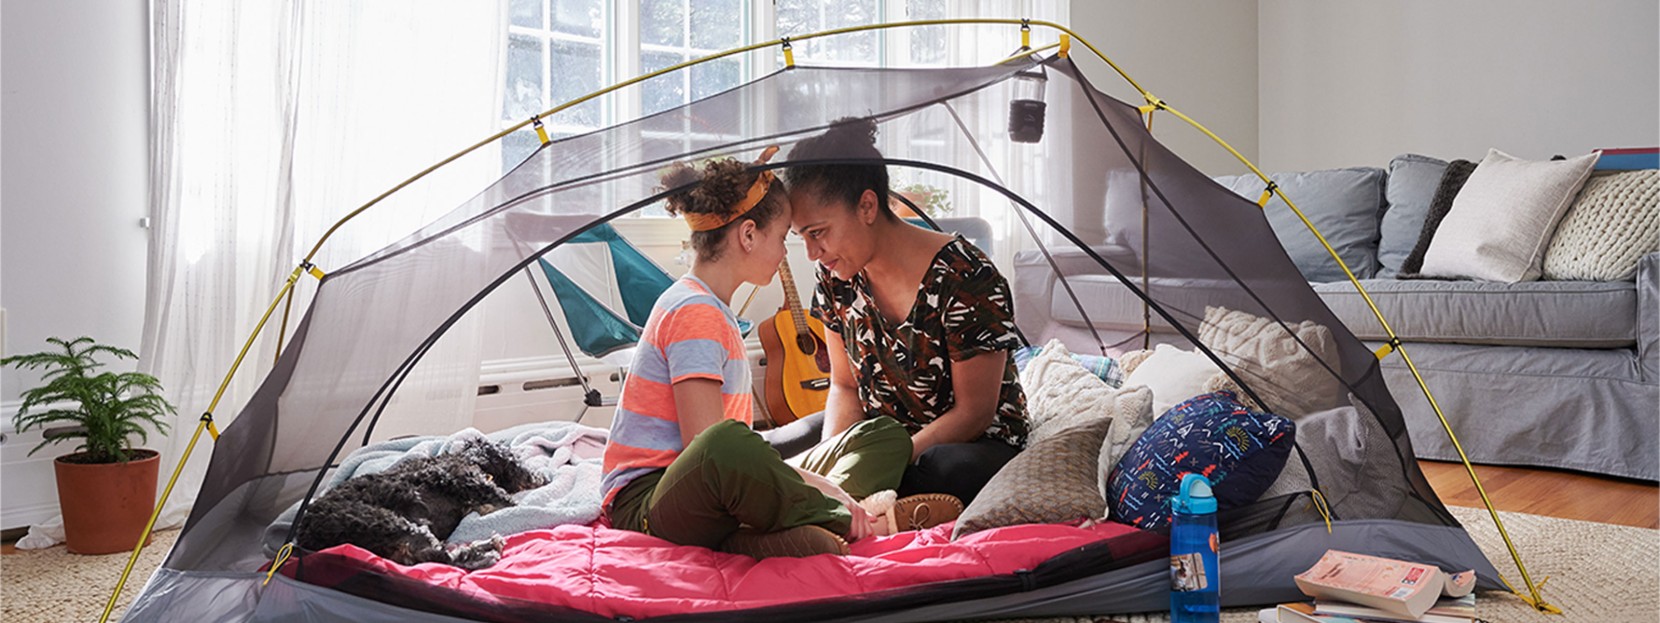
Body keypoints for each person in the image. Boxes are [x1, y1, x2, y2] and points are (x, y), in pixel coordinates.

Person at [600, 147, 918, 559]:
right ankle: (844, 519)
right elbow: (708, 449)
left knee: (883, 434)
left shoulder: (714, 308)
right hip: (651, 502)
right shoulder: (694, 311)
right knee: (729, 443)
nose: (789, 253)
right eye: (784, 236)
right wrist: (824, 492)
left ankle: (791, 526)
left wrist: (826, 485)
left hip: (713, 492)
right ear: (748, 235)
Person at [774, 117, 1030, 505]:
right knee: (774, 447)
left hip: (966, 442)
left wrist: (872, 463)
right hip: (877, 431)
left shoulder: (967, 276)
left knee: (940, 471)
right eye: (801, 237)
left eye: (818, 232)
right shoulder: (835, 277)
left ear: (866, 206)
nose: (812, 253)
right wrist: (829, 464)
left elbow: (974, 413)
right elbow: (844, 386)